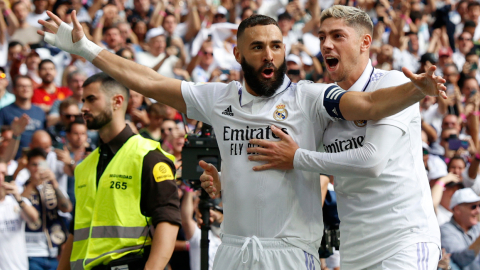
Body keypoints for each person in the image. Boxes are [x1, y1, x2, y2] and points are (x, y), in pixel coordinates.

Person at [38, 12, 445, 269]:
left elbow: (371, 104)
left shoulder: (309, 96)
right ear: (238, 54)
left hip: (289, 253)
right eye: (257, 47)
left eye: (276, 46)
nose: (269, 55)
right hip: (232, 250)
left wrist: (417, 91)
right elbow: (150, 81)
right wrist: (88, 49)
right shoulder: (218, 99)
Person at [203, 6, 442, 269]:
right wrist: (226, 179)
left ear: (365, 43)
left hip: (403, 240)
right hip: (354, 248)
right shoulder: (322, 103)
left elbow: (370, 162)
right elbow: (287, 164)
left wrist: (297, 158)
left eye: (337, 36)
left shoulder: (392, 84)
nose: (326, 45)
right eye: (321, 37)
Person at [56, 73, 181, 270]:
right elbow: (76, 231)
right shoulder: (83, 166)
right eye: (83, 101)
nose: (83, 108)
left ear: (117, 101)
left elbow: (168, 220)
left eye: (91, 99)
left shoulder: (149, 156)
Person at [22, 147, 72, 270]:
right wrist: (33, 183)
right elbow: (17, 206)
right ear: (28, 166)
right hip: (31, 252)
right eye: (34, 165)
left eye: (41, 164)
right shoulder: (22, 184)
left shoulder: (52, 186)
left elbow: (67, 208)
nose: (38, 168)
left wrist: (54, 182)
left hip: (54, 250)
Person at [0, 160, 39, 270]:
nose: (1, 178)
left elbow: (34, 218)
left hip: (18, 266)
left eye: (3, 174)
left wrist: (18, 198)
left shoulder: (16, 201)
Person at [0, 75, 46, 159]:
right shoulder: (4, 111)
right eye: (21, 86)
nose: (25, 89)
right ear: (14, 90)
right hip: (12, 159)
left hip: (36, 160)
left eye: (28, 86)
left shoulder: (39, 111)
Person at [441, 188, 480, 270]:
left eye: (479, 206)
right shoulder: (445, 230)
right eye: (473, 207)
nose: (478, 211)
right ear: (457, 209)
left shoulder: (478, 227)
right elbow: (461, 260)